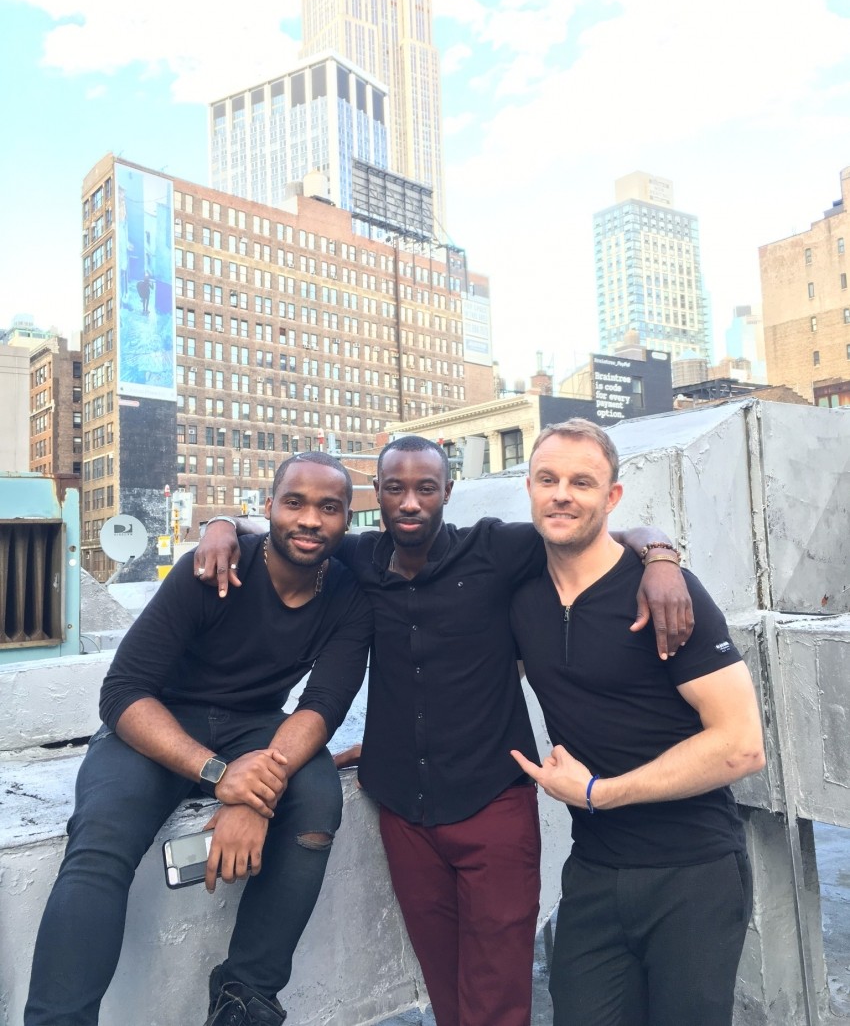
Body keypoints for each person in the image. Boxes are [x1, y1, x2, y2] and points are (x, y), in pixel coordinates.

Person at [195, 436, 694, 1026]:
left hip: (493, 804)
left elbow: (598, 534)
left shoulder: (496, 548)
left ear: (447, 492)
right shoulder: (359, 556)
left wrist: (660, 558)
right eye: (395, 489)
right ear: (376, 495)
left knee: (498, 999)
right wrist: (218, 525)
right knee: (446, 992)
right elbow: (275, 527)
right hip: (403, 810)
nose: (410, 502)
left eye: (425, 488)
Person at [25, 453, 373, 1026]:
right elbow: (123, 692)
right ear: (269, 508)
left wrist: (258, 789)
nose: (310, 519)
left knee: (317, 797)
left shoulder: (348, 595)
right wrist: (221, 777)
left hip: (255, 726)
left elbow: (323, 705)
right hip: (158, 725)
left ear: (346, 519)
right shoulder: (211, 569)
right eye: (295, 502)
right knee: (102, 838)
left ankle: (244, 998)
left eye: (328, 507)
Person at [509, 420, 765, 1026]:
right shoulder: (520, 595)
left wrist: (599, 794)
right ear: (530, 488)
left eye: (582, 482)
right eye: (548, 479)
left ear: (612, 496)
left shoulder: (668, 595)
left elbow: (741, 745)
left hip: (693, 872)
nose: (562, 495)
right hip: (593, 873)